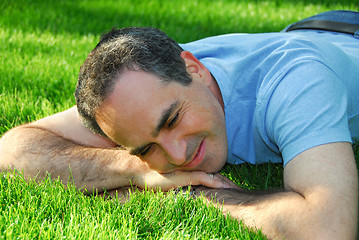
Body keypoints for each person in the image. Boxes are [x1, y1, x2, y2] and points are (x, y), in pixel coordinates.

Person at [0, 10, 358, 239]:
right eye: (146, 148)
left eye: (172, 120)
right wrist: (133, 169)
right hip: (313, 31)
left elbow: (328, 228)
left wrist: (199, 192)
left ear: (195, 69)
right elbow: (11, 149)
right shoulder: (146, 83)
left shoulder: (296, 84)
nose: (176, 155)